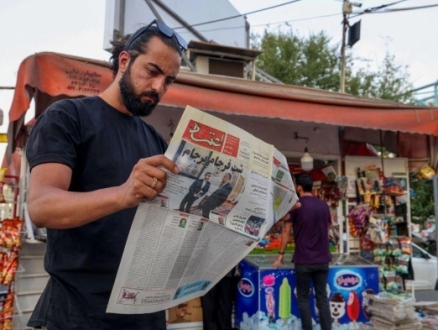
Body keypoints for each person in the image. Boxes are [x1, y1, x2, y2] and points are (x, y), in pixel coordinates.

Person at [25, 19, 187, 330]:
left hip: (146, 315)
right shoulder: (68, 118)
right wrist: (123, 194)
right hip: (78, 314)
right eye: (152, 72)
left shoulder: (155, 141)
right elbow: (41, 206)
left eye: (168, 80)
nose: (158, 87)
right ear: (125, 61)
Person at [273, 174, 332, 330]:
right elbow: (328, 228)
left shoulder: (296, 206)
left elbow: (286, 231)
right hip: (322, 259)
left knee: (304, 299)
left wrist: (280, 254)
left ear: (298, 187)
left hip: (304, 260)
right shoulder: (323, 205)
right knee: (322, 299)